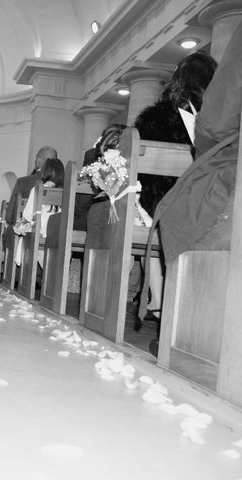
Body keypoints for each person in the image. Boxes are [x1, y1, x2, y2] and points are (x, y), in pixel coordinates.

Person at [132, 51, 217, 334]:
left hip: (163, 202)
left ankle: (163, 305)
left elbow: (139, 170)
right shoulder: (220, 118)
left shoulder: (153, 118)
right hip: (212, 200)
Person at [13, 158, 65, 267]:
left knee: (25, 234)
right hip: (59, 231)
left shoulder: (37, 189)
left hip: (41, 231)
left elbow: (27, 215)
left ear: (44, 172)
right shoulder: (66, 191)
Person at [4, 145, 57, 250]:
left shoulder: (23, 182)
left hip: (27, 232)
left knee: (8, 231)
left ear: (38, 161)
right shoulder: (62, 185)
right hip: (54, 232)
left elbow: (10, 216)